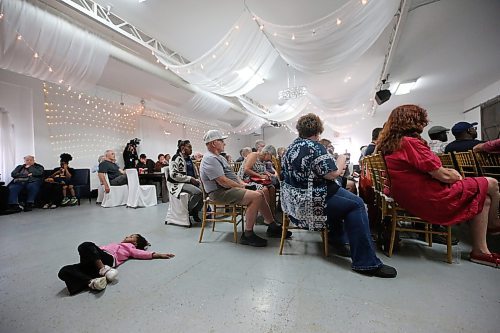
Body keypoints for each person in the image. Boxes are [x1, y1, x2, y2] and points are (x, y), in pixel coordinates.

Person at [377, 105, 500, 267]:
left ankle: (480, 251)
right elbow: (444, 175)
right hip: (429, 196)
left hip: (409, 196)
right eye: (422, 119)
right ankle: (494, 224)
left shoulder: (391, 143)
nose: (424, 123)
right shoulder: (409, 143)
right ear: (413, 121)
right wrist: (455, 174)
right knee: (492, 182)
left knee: (485, 199)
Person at [281, 113, 396, 278]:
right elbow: (333, 174)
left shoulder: (291, 147)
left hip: (294, 202)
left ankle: (337, 239)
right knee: (356, 204)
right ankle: (366, 263)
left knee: (344, 202)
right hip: (313, 201)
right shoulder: (315, 146)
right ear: (318, 130)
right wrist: (342, 158)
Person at [199, 129, 291, 247]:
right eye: (222, 141)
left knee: (260, 192)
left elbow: (232, 177)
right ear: (213, 143)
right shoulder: (210, 159)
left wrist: (244, 185)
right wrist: (243, 187)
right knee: (257, 196)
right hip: (219, 192)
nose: (224, 143)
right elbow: (223, 181)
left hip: (226, 189)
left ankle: (272, 225)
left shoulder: (218, 157)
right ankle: (248, 234)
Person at [58, 234, 175, 295]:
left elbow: (140, 253)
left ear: (135, 242)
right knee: (63, 271)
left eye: (131, 236)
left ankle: (104, 270)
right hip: (94, 261)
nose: (127, 236)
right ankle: (92, 282)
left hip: (107, 260)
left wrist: (159, 255)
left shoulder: (129, 247)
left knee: (85, 245)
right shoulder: (117, 243)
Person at [168, 140, 203, 222]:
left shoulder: (189, 159)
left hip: (189, 182)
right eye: (189, 147)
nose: (191, 149)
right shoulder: (176, 158)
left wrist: (197, 179)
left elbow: (193, 173)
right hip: (178, 183)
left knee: (205, 191)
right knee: (198, 192)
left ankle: (195, 211)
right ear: (183, 148)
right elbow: (173, 175)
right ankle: (186, 211)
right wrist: (189, 179)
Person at [237, 145, 278, 214]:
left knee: (272, 188)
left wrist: (268, 174)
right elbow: (246, 169)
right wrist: (261, 176)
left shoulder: (263, 160)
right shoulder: (254, 155)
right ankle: (267, 215)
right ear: (267, 153)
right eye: (271, 157)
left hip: (256, 180)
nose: (270, 160)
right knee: (264, 190)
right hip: (246, 180)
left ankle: (272, 212)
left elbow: (261, 170)